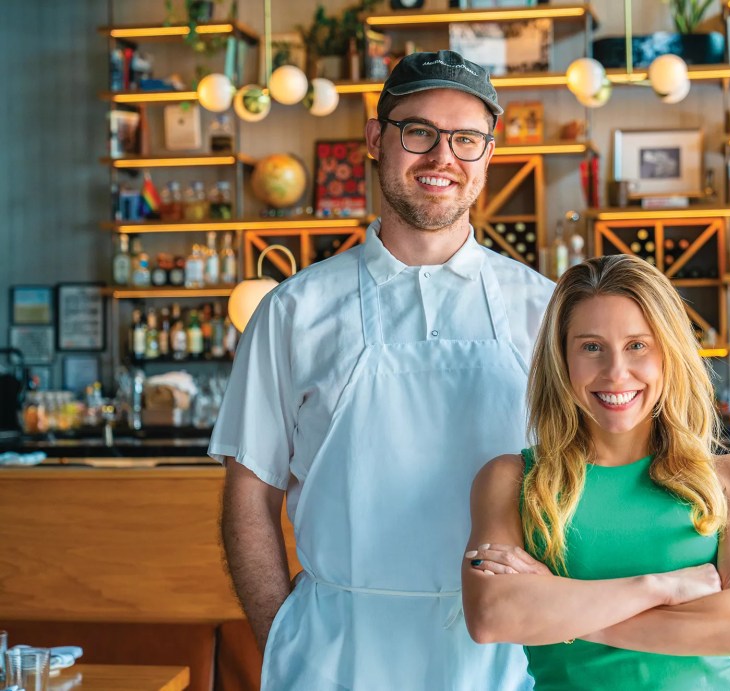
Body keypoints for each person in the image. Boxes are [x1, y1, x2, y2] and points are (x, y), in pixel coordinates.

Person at [211, 50, 553, 690]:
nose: (441, 157)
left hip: (502, 656)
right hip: (336, 653)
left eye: (466, 139)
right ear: (376, 139)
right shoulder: (294, 310)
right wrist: (282, 633)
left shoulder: (547, 309)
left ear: (488, 153)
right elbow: (249, 495)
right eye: (419, 131)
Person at [462, 254, 730, 690]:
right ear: (563, 358)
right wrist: (662, 587)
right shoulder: (512, 480)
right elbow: (492, 616)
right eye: (591, 347)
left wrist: (562, 608)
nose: (615, 373)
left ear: (668, 353)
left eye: (637, 345)